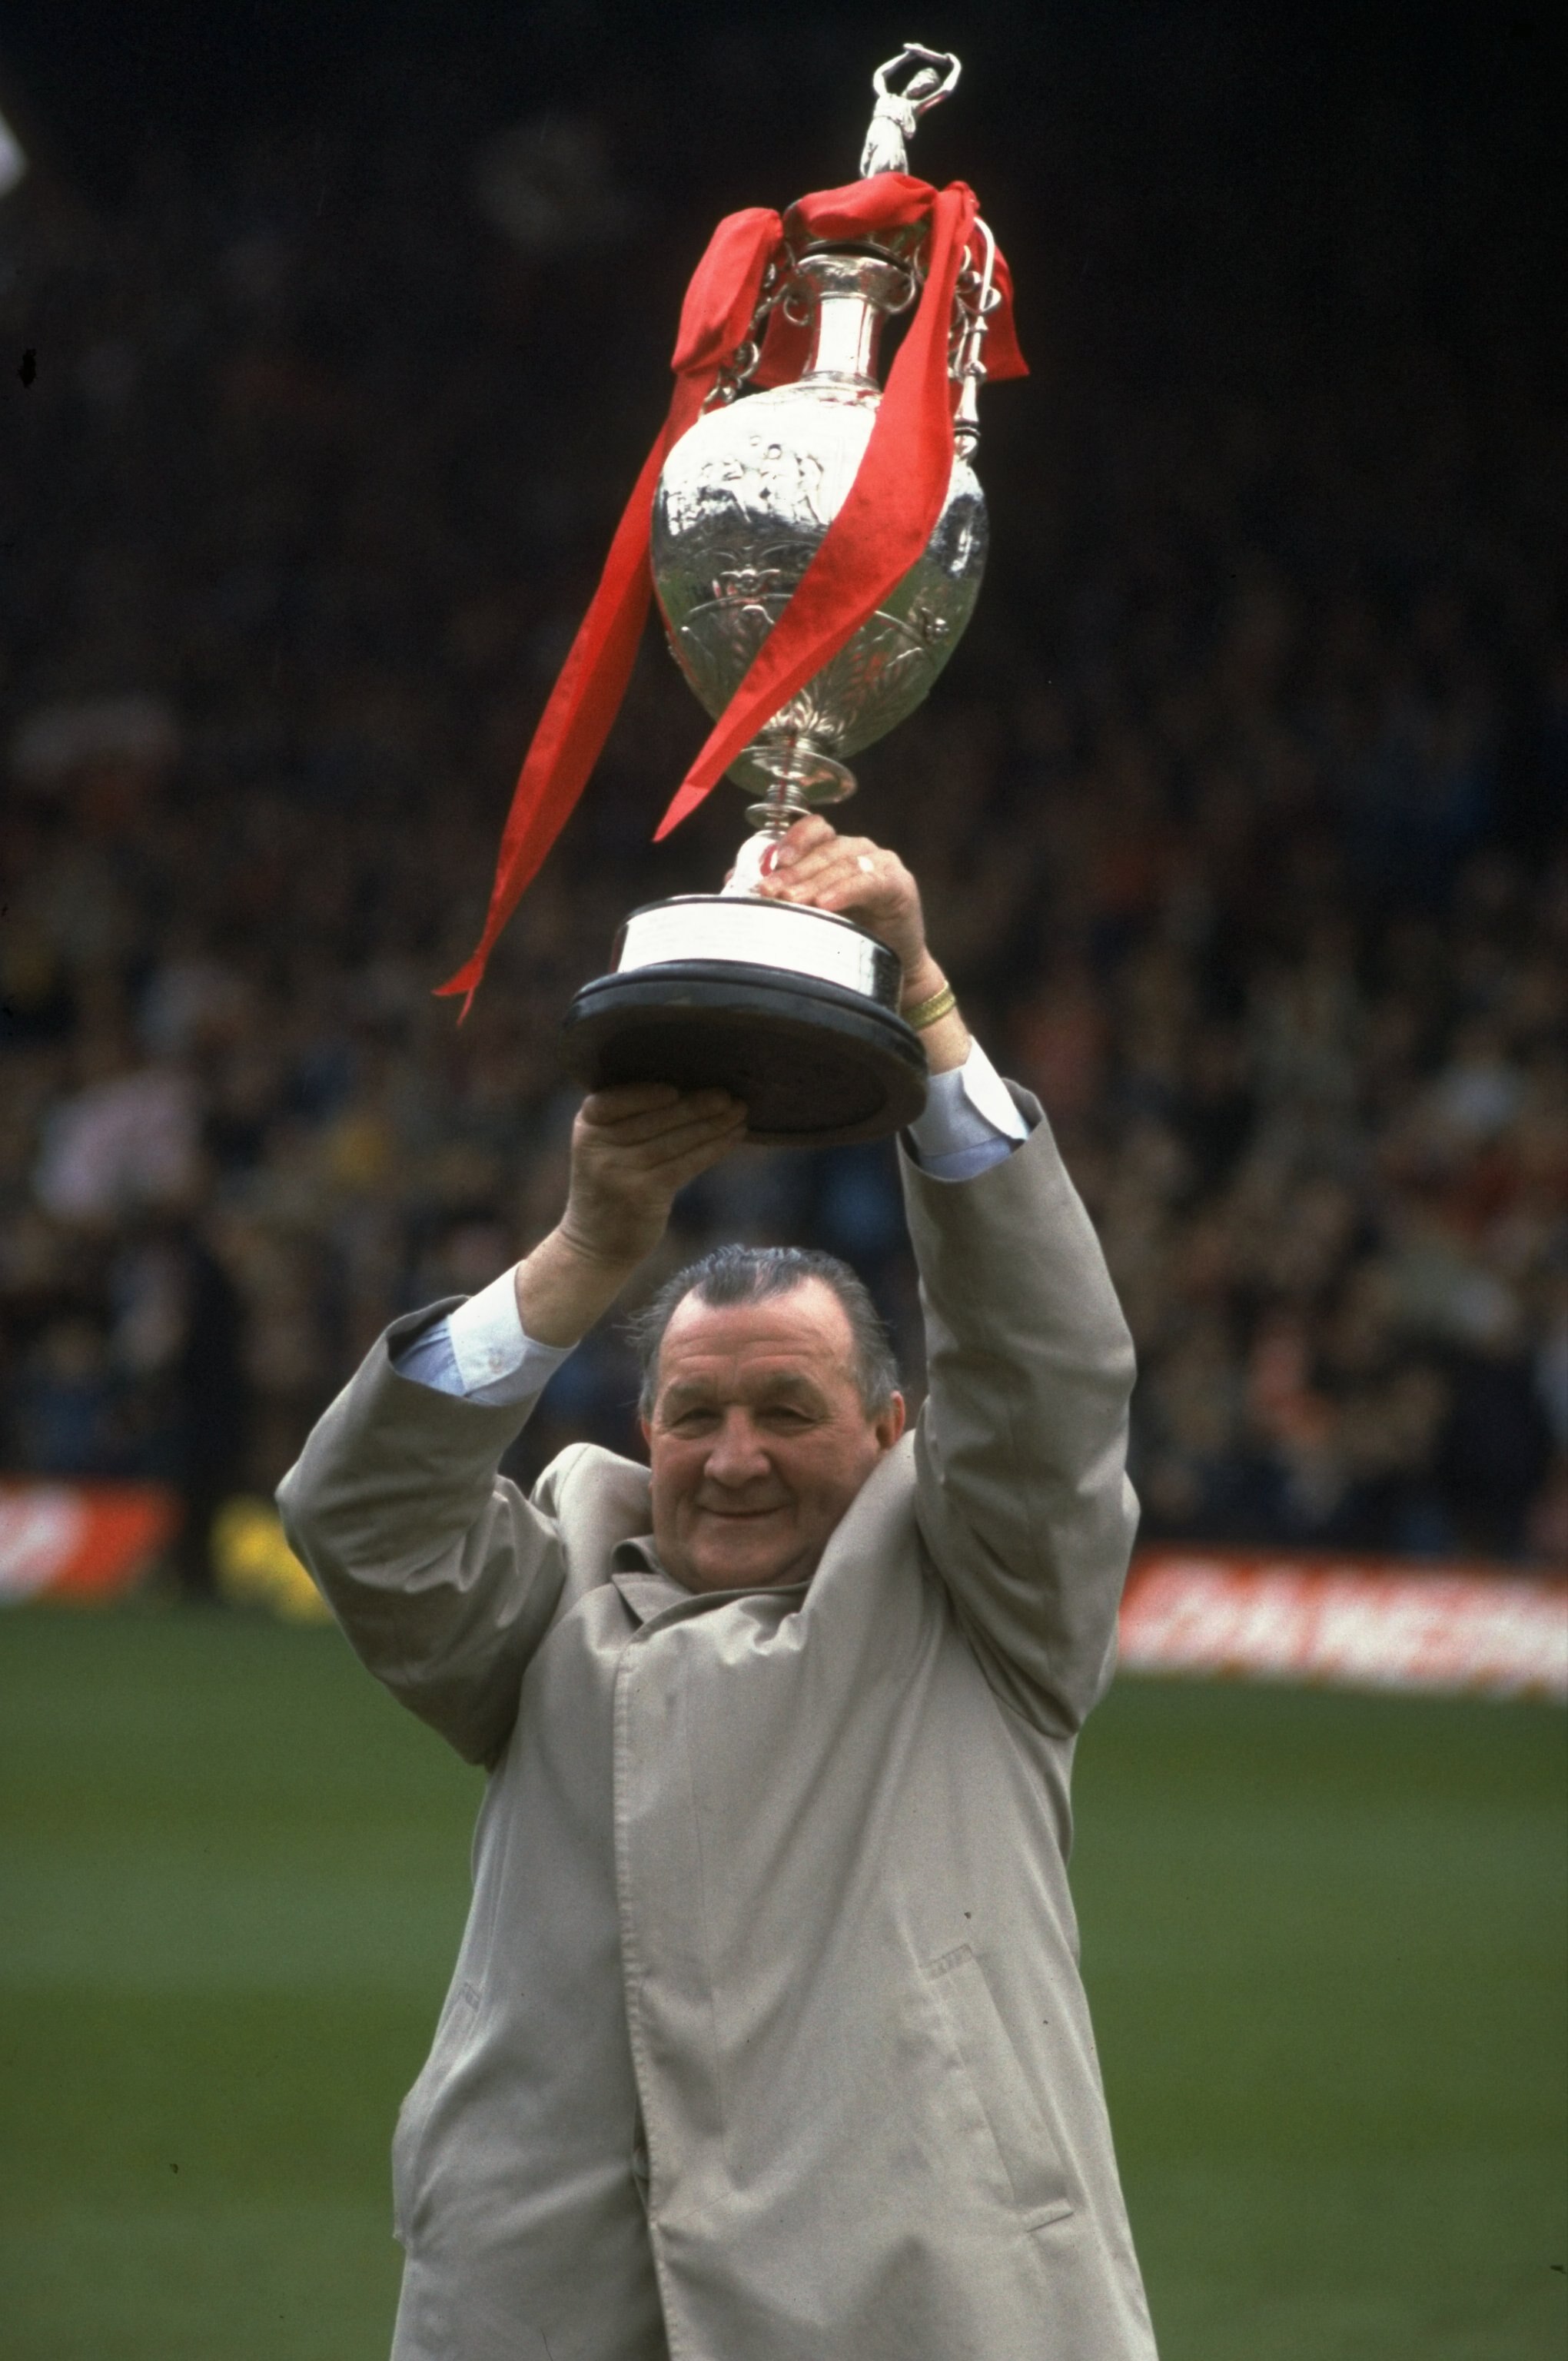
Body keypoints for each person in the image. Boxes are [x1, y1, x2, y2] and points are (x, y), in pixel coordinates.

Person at [279, 818, 1157, 2361]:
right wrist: (586, 1248)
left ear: (891, 1431)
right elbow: (358, 1517)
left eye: (788, 1410)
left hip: (910, 2310)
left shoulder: (987, 1605)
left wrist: (929, 1007)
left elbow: (1047, 1373)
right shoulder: (540, 1608)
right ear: (646, 1433)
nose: (735, 1457)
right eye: (696, 1413)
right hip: (546, 2308)